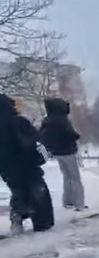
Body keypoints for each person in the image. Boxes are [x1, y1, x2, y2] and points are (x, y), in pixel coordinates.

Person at [0, 94, 54, 235]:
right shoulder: (18, 122)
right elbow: (33, 143)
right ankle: (42, 225)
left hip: (7, 170)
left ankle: (17, 217)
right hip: (27, 166)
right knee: (39, 195)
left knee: (20, 193)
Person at [39, 98, 86, 211]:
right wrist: (77, 136)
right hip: (68, 152)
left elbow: (41, 135)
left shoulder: (47, 120)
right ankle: (79, 204)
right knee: (75, 178)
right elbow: (71, 134)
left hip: (56, 152)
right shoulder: (63, 120)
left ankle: (67, 201)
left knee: (67, 176)